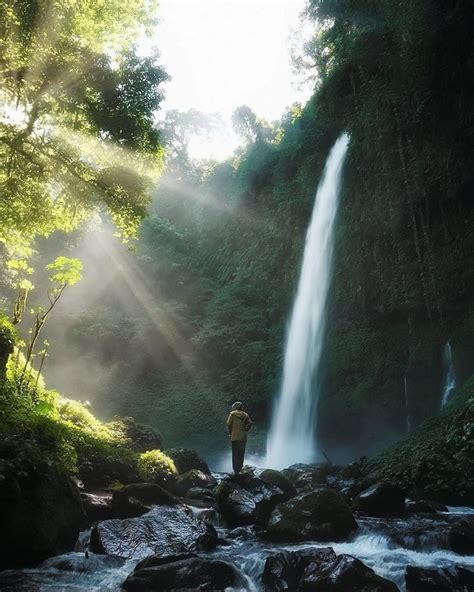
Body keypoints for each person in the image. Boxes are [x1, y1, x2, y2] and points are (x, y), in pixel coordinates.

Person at [226, 401, 253, 473]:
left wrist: (230, 432)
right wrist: (245, 429)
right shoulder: (245, 415)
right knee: (241, 453)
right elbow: (250, 423)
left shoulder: (232, 414)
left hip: (234, 436)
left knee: (235, 453)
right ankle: (240, 467)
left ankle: (235, 469)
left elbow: (228, 423)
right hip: (243, 437)